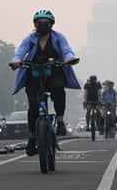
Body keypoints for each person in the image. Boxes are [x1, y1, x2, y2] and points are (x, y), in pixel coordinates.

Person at [10, 9, 80, 156]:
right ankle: (32, 137)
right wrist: (16, 61)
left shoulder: (58, 37)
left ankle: (60, 121)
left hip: (54, 72)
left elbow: (66, 50)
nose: (42, 26)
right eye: (39, 23)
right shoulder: (30, 39)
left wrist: (68, 58)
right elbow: (20, 51)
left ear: (51, 25)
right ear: (35, 24)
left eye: (46, 23)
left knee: (58, 87)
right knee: (33, 107)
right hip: (35, 74)